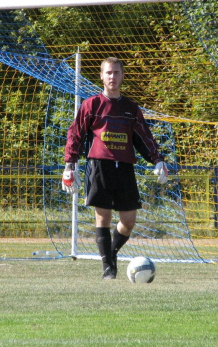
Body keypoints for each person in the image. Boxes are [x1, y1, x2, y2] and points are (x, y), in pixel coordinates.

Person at [61, 57, 168, 279]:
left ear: (122, 76)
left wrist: (158, 159)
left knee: (128, 222)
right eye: (108, 73)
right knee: (103, 218)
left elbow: (144, 138)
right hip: (99, 166)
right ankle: (108, 268)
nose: (112, 77)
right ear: (101, 76)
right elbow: (76, 135)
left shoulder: (131, 108)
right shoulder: (91, 105)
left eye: (116, 73)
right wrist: (69, 165)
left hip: (125, 169)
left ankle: (111, 253)